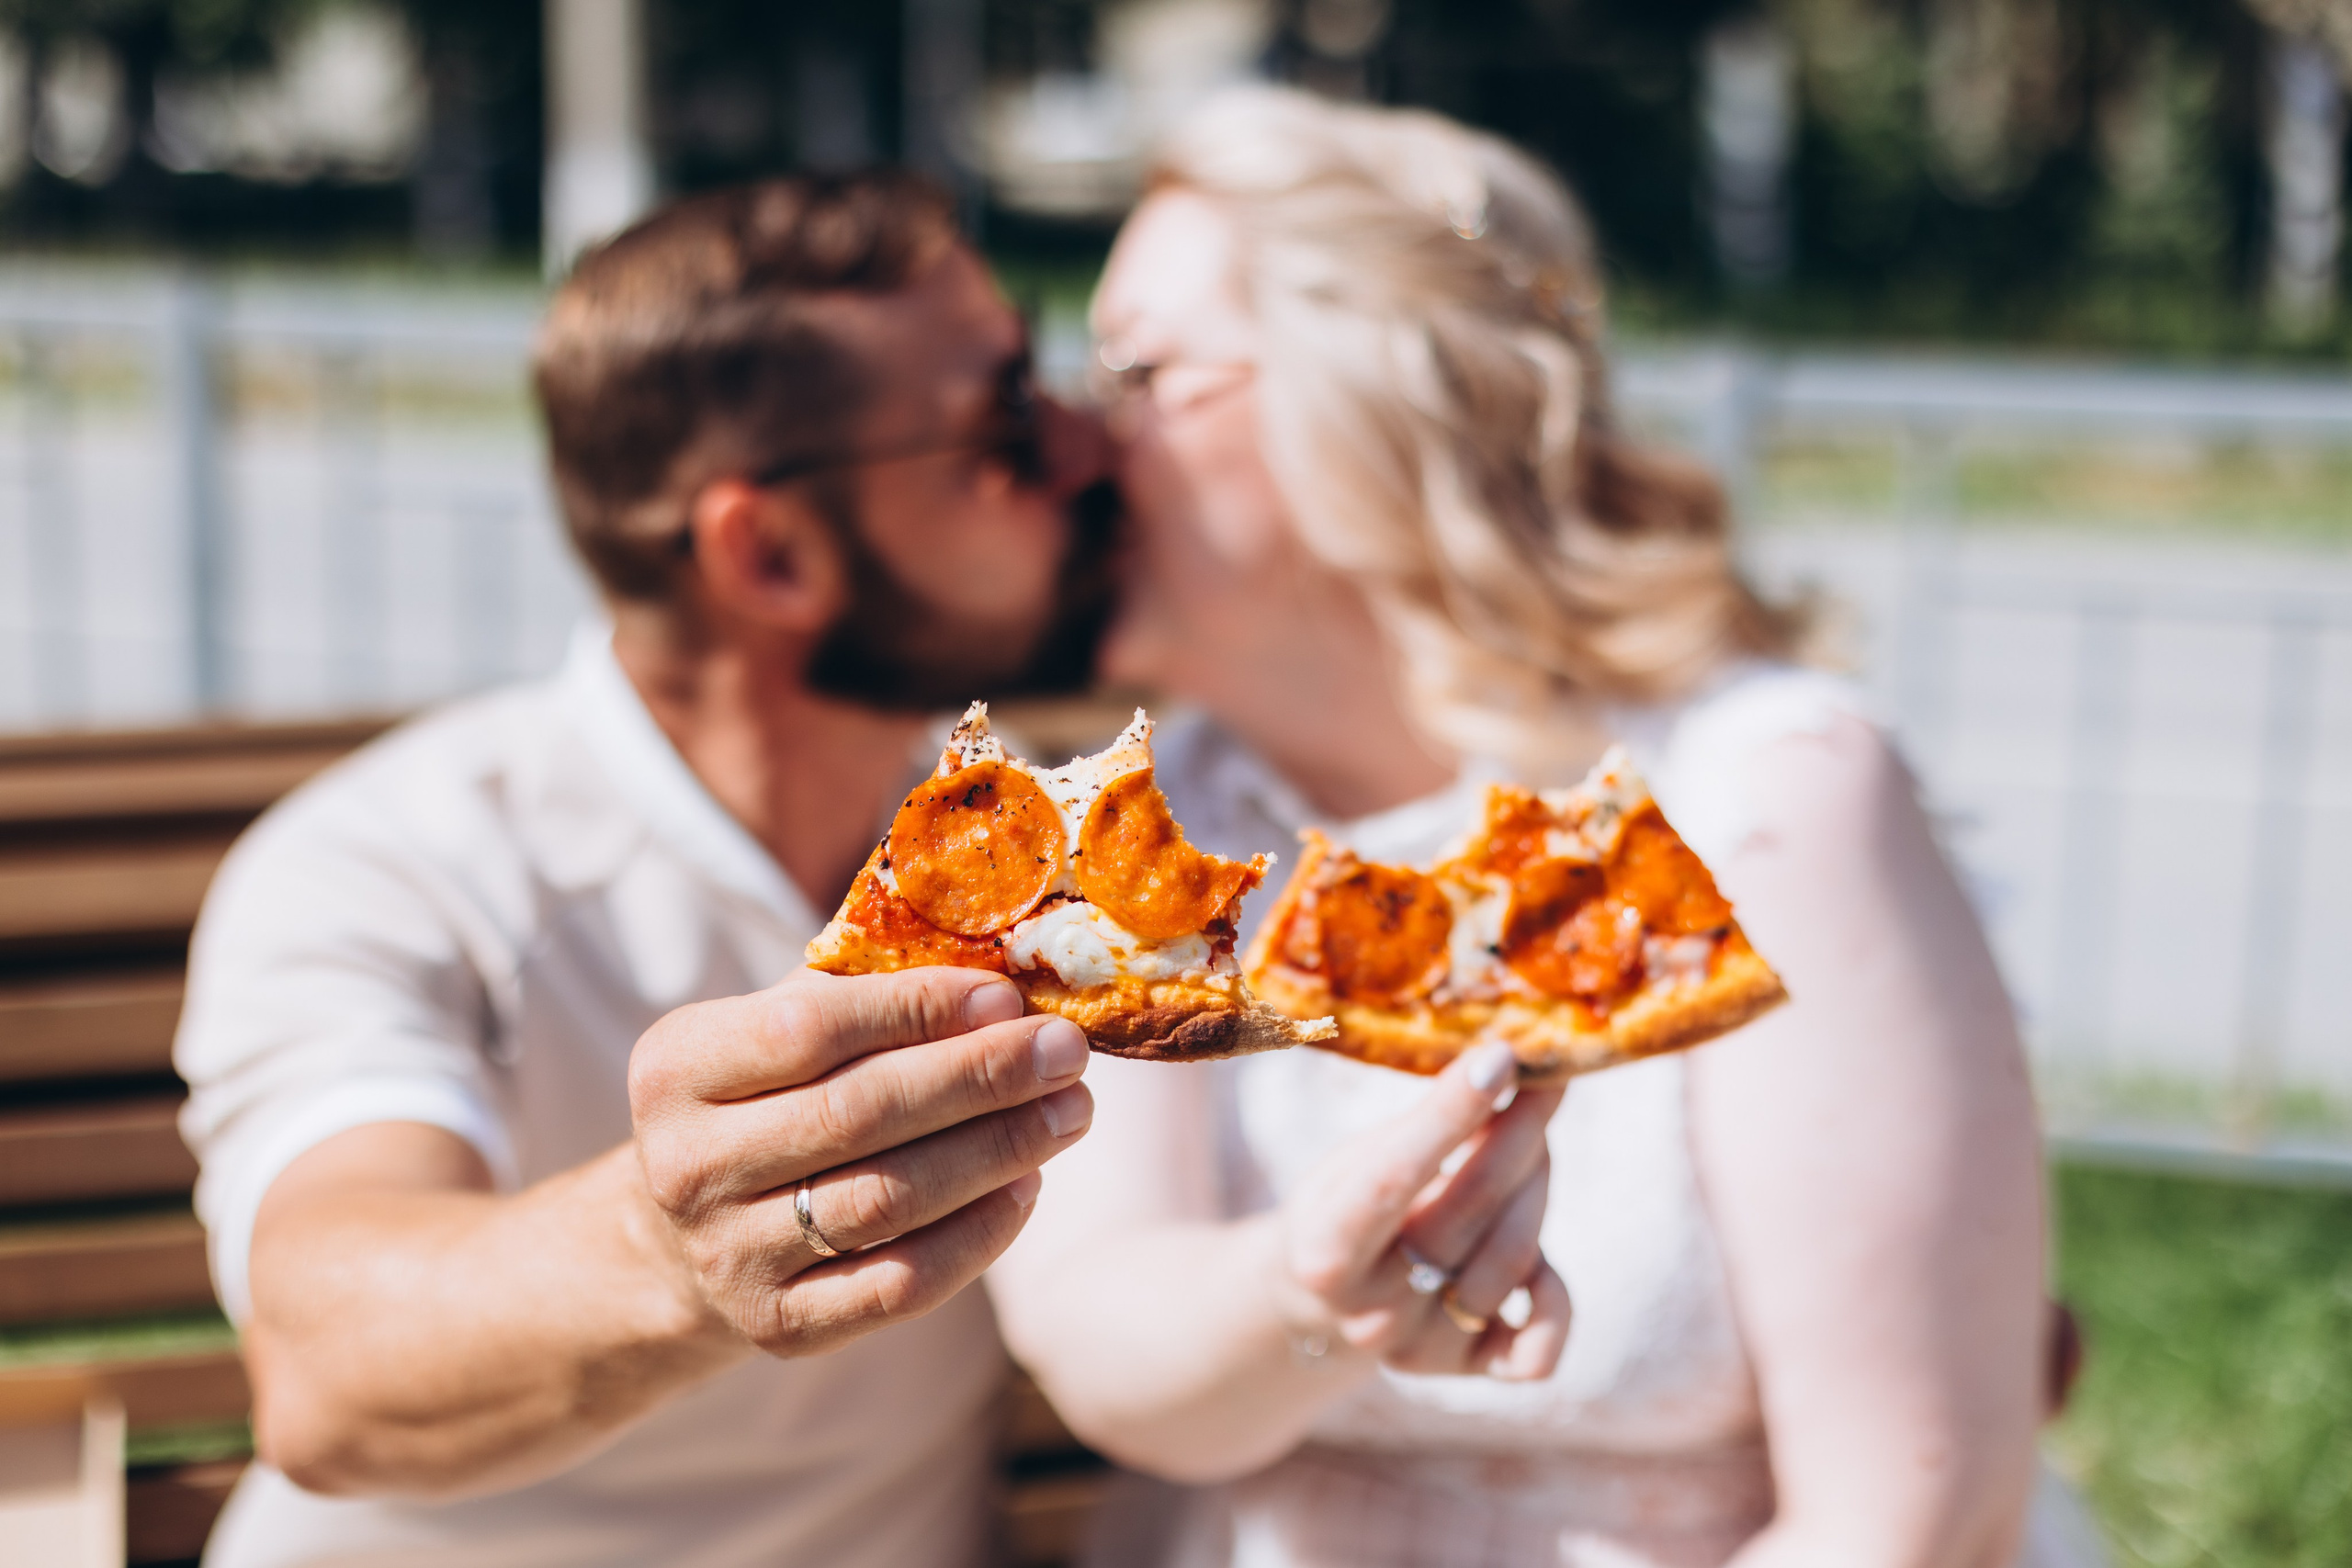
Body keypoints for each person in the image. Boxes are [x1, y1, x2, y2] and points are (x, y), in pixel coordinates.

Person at [987, 88, 2105, 1568]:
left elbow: (1909, 1513)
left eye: (1137, 372)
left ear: (1366, 398)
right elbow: (1109, 1359)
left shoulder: (1762, 797)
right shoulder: (1118, 824)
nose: (1072, 446)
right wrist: (1312, 1293)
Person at [175, 173, 1114, 1567]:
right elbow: (326, 1373)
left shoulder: (1047, 838)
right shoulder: (393, 862)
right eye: (1009, 424)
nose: (1092, 450)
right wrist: (673, 1246)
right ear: (772, 551)